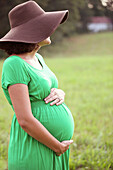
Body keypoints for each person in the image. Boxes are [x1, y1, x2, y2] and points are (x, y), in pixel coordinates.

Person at [0, 1, 74, 170]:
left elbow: (45, 89)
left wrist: (60, 93)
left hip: (54, 147)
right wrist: (57, 146)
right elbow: (25, 119)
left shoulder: (38, 58)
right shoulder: (14, 64)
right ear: (31, 31)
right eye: (44, 25)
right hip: (36, 146)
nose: (51, 29)